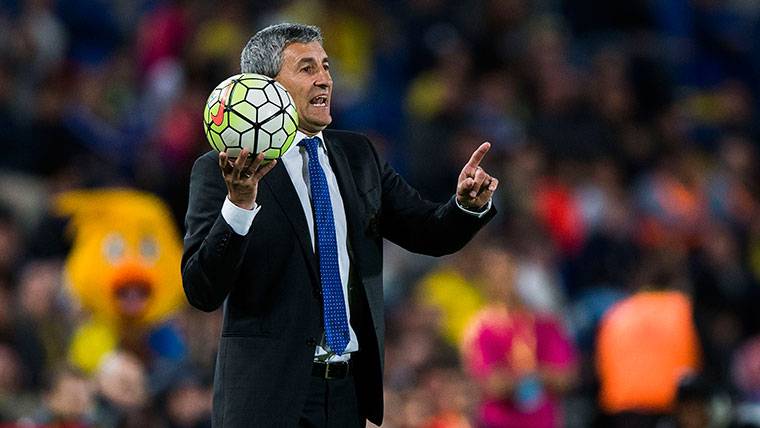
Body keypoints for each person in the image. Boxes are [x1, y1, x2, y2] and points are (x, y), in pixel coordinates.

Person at [181, 23, 498, 427]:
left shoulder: (359, 156)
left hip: (345, 395)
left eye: (326, 66)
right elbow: (202, 290)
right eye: (307, 68)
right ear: (265, 88)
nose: (325, 79)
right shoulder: (221, 169)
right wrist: (239, 205)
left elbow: (428, 231)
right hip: (266, 400)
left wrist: (465, 206)